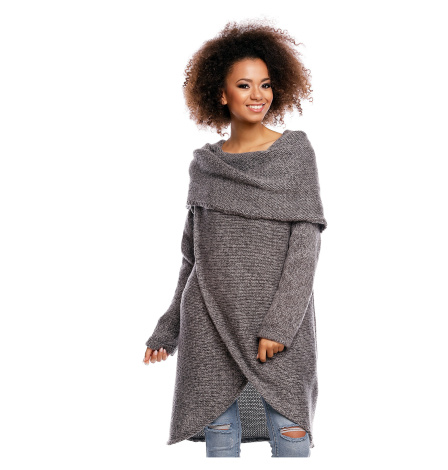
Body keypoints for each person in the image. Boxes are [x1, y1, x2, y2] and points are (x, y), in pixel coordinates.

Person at [143, 19, 327, 458]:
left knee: (291, 434)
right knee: (220, 437)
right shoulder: (205, 166)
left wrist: (280, 325)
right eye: (244, 85)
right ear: (222, 94)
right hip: (209, 326)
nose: (257, 94)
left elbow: (306, 246)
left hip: (278, 325)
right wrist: (168, 327)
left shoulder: (294, 153)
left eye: (265, 84)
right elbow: (192, 257)